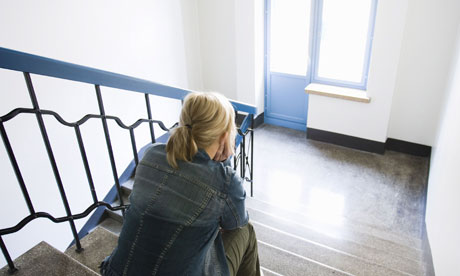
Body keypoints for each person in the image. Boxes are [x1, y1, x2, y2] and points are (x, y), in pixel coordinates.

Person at [100, 92, 261, 276]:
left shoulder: (150, 154)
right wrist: (224, 162)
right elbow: (234, 224)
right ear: (224, 136)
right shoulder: (225, 181)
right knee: (246, 231)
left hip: (117, 272)